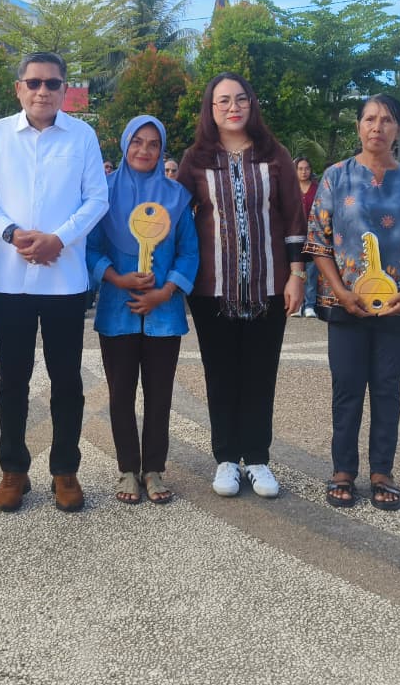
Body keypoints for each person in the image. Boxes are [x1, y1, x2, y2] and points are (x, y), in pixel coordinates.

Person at [0, 51, 108, 514]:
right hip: (10, 279)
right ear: (19, 88)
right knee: (12, 380)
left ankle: (65, 469)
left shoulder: (82, 135)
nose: (42, 91)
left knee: (67, 380)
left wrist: (58, 239)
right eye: (33, 83)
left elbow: (97, 199)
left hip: (64, 279)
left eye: (52, 83)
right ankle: (13, 469)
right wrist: (11, 233)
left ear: (65, 89)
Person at [307, 96, 400, 510]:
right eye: (369, 119)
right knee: (346, 388)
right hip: (345, 302)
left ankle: (382, 471)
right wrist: (340, 290)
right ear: (358, 126)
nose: (377, 127)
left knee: (387, 389)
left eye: (387, 120)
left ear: (398, 128)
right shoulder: (336, 177)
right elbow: (318, 240)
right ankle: (343, 471)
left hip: (399, 304)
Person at [177, 72, 306, 499]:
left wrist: (297, 274)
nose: (233, 107)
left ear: (251, 104)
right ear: (210, 109)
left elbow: (293, 216)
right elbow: (175, 215)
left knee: (260, 372)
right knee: (220, 373)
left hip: (269, 285)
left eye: (240, 99)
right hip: (211, 289)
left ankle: (258, 457)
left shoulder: (274, 155)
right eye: (223, 101)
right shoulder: (196, 158)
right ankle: (227, 458)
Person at [87, 115, 198, 505]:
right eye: (137, 141)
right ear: (124, 144)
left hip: (164, 314)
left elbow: (189, 252)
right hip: (117, 310)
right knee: (120, 394)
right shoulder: (102, 194)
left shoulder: (177, 197)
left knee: (159, 394)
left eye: (153, 144)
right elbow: (90, 248)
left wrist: (164, 292)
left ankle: (153, 469)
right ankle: (127, 469)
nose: (144, 150)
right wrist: (116, 279)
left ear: (162, 150)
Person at [293, 155, 319, 316]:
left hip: (313, 234)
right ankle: (297, 304)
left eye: (307, 168)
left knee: (311, 270)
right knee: (296, 269)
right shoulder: (290, 188)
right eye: (300, 169)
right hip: (294, 234)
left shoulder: (318, 188)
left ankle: (309, 305)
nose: (304, 172)